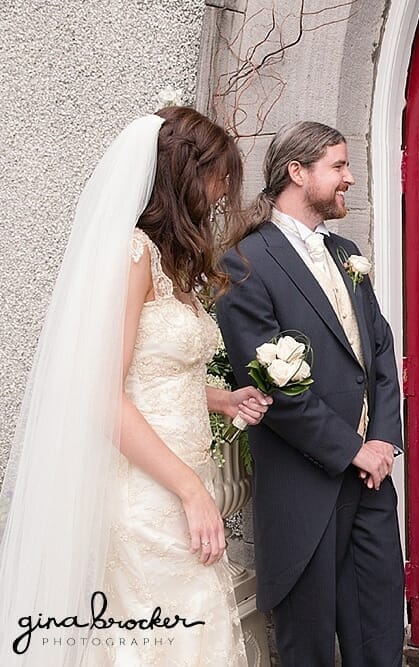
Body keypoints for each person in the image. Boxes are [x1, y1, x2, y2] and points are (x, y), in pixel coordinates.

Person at [0, 107, 271, 666]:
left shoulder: (173, 265)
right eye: (218, 177)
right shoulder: (133, 255)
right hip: (149, 494)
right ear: (183, 174)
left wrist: (221, 399)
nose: (223, 193)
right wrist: (191, 492)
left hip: (184, 486)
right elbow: (102, 396)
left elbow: (155, 375)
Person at [215, 121, 405, 666]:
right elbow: (273, 385)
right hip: (307, 484)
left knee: (379, 630)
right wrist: (351, 448)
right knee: (309, 642)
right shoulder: (248, 261)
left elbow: (380, 353)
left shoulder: (346, 250)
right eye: (339, 166)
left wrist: (384, 442)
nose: (350, 178)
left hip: (371, 478)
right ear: (298, 173)